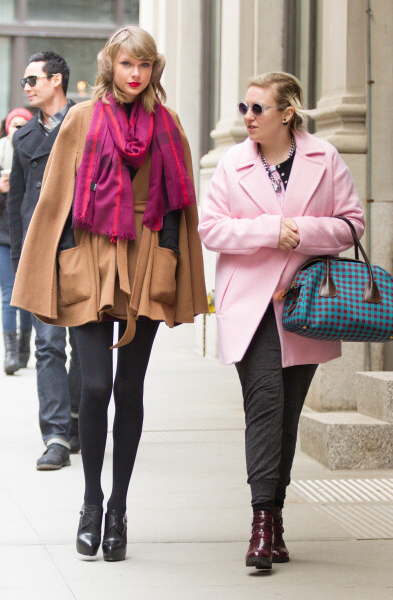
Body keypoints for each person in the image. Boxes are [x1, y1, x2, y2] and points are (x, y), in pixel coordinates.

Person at [12, 26, 208, 562]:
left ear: (153, 70)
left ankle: (119, 507)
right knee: (95, 385)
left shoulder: (167, 124)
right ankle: (91, 500)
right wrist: (64, 258)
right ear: (111, 66)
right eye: (127, 64)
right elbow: (56, 198)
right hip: (91, 261)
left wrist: (167, 257)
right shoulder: (81, 119)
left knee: (131, 390)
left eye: (144, 66)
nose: (135, 74)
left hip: (145, 260)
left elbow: (175, 203)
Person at [198, 72, 365, 570]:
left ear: (286, 113)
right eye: (243, 107)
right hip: (251, 305)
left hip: (306, 304)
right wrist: (273, 231)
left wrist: (302, 231)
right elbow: (212, 228)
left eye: (257, 109)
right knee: (265, 407)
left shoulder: (324, 157)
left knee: (287, 417)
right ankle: (261, 523)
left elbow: (351, 223)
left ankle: (276, 518)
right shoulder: (232, 162)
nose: (247, 117)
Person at [7, 52, 81, 469]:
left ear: (57, 80)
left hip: (81, 250)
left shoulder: (87, 124)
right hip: (40, 254)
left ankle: (75, 422)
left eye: (33, 79)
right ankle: (54, 435)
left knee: (86, 348)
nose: (27, 87)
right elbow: (18, 205)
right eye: (24, 81)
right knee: (48, 345)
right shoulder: (23, 138)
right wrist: (20, 262)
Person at [0, 108, 33, 374]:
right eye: (13, 125)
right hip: (1, 235)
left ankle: (23, 348)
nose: (17, 129)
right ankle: (10, 354)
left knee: (28, 296)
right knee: (8, 294)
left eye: (23, 125)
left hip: (28, 235)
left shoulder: (35, 154)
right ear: (6, 127)